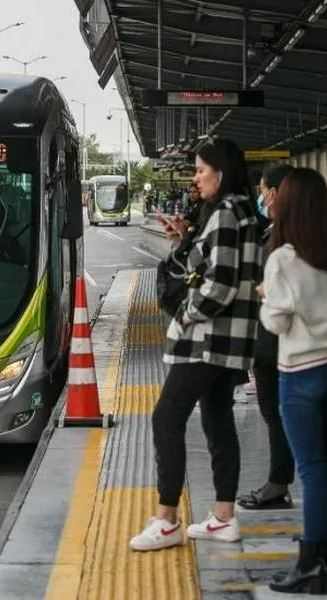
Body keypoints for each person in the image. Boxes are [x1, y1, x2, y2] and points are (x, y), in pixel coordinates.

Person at [130, 138, 263, 552]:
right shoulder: (243, 212)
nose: (196, 177)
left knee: (166, 418)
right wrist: (184, 240)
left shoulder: (224, 213)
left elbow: (219, 284)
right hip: (230, 342)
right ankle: (224, 517)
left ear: (220, 173)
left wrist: (188, 314)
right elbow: (216, 268)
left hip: (206, 340)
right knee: (217, 420)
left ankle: (166, 518)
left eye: (201, 170)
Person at [259, 167, 327, 594]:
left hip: (299, 375)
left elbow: (276, 321)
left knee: (314, 469)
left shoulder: (283, 259)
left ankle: (311, 563)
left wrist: (267, 297)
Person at [237, 164, 295, 510]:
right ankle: (279, 479)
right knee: (276, 414)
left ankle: (278, 482)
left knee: (276, 414)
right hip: (275, 343)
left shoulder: (285, 237)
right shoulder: (281, 230)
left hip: (276, 343)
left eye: (263, 190)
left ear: (274, 192)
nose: (260, 196)